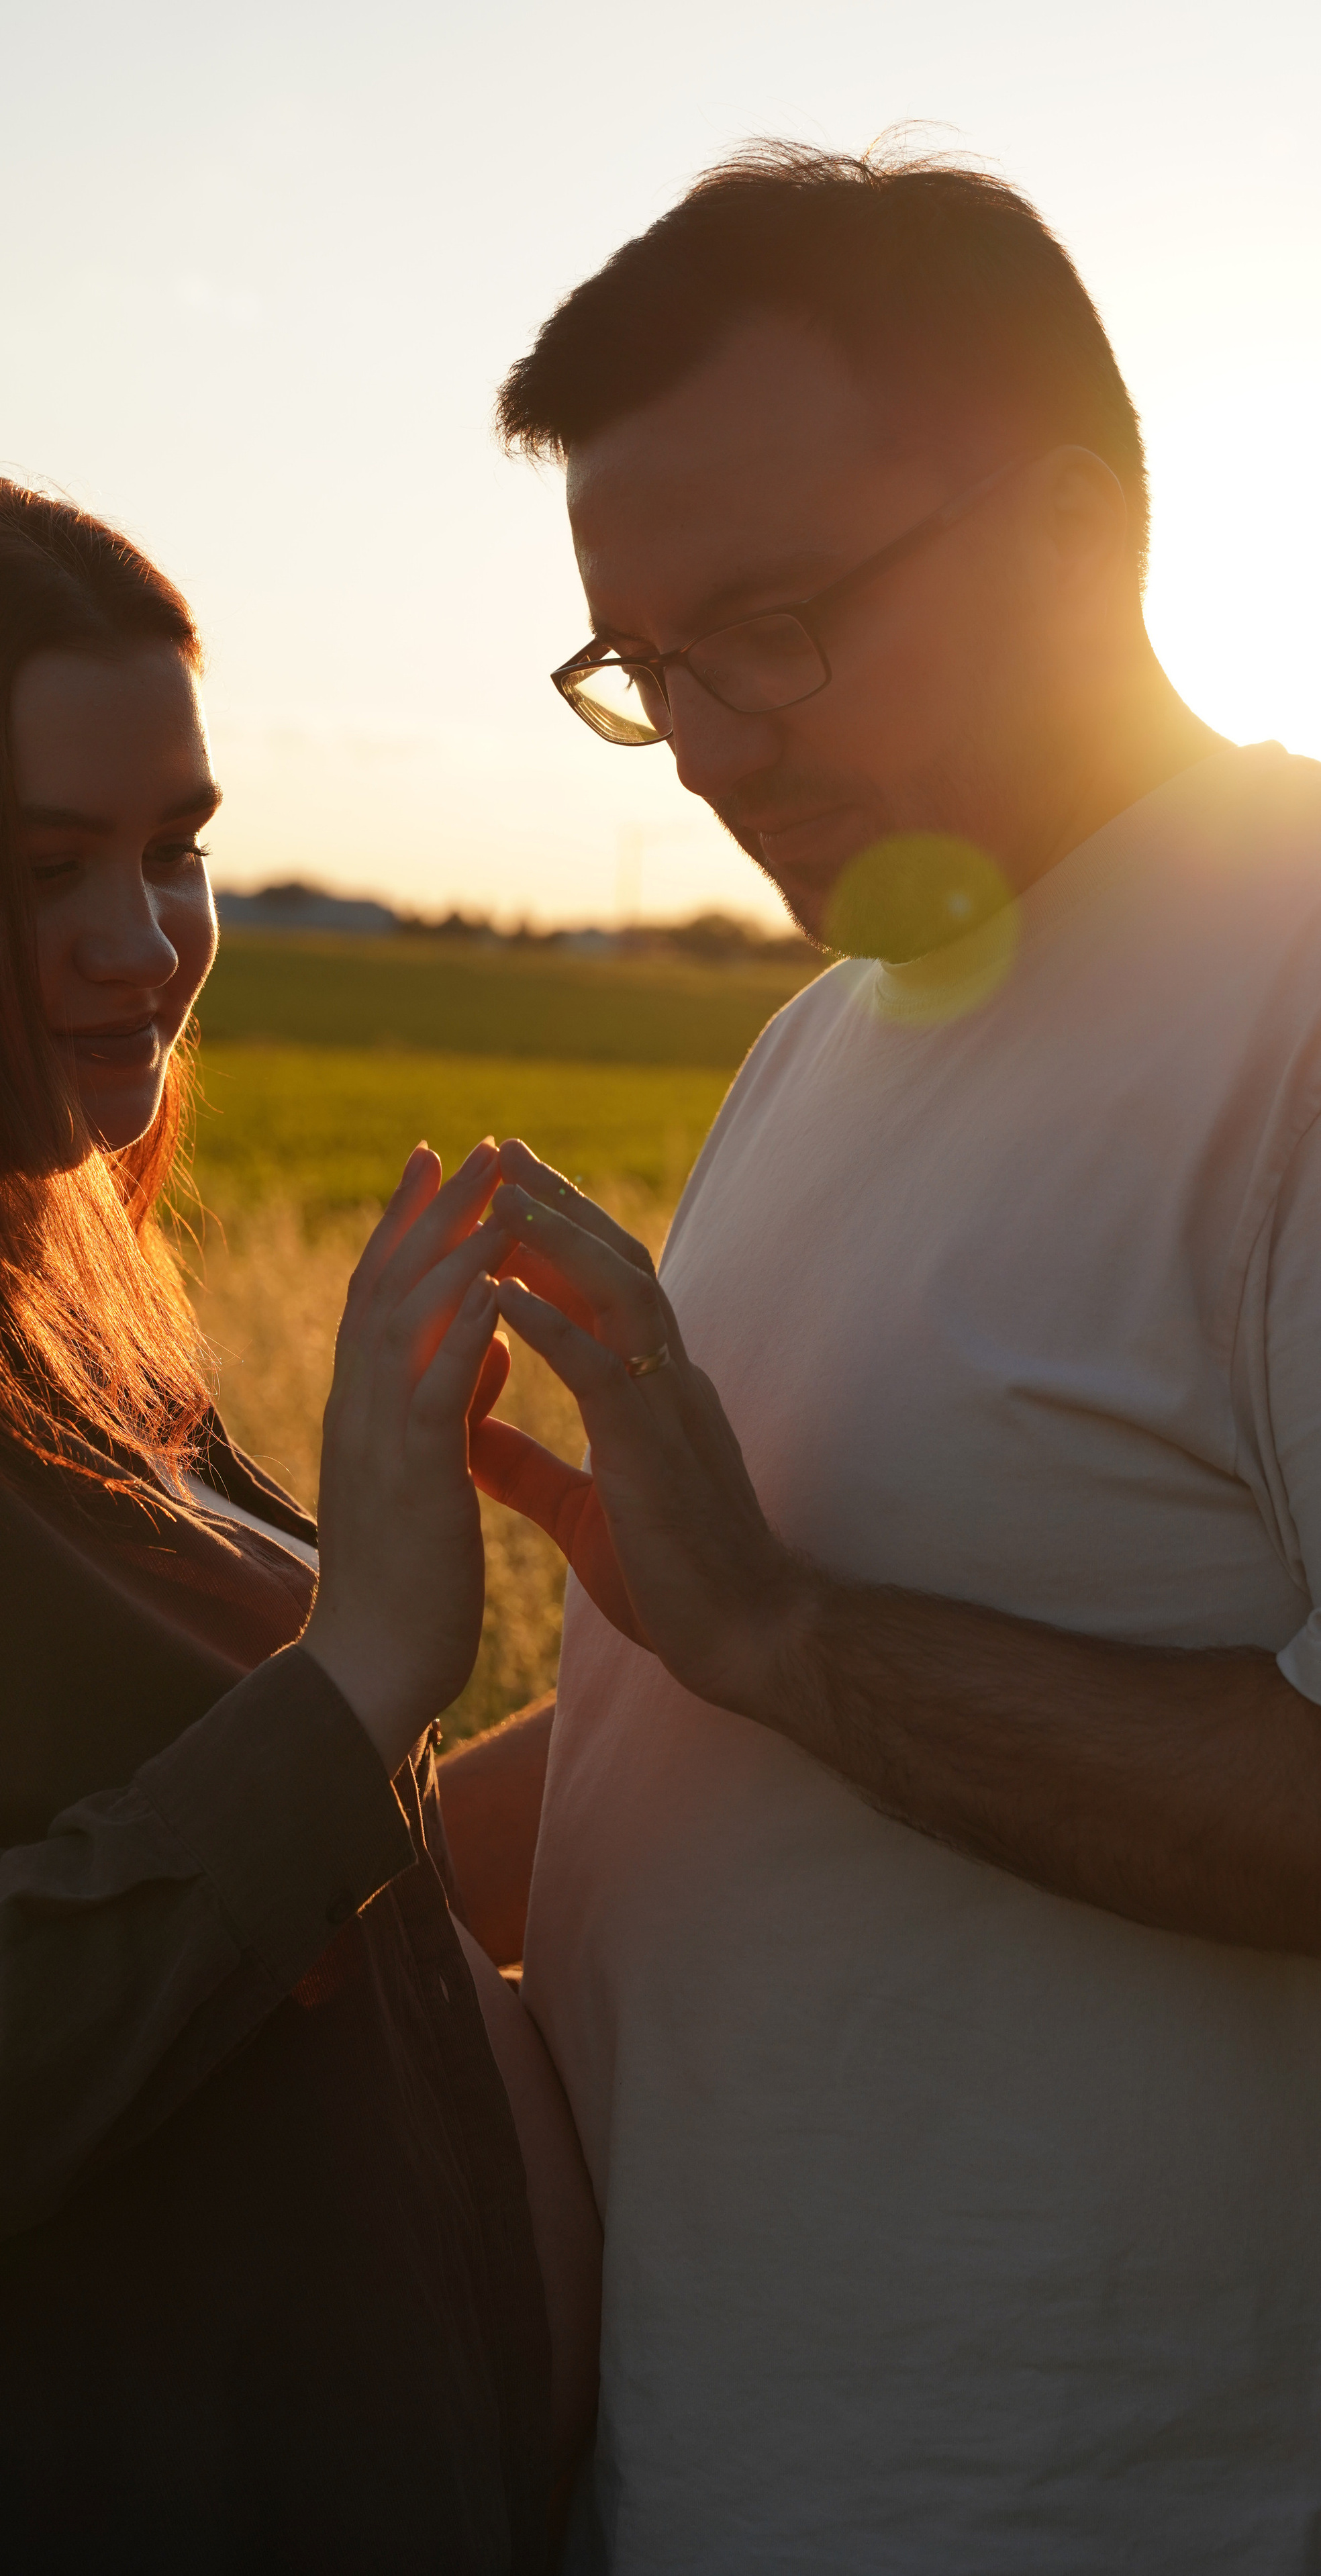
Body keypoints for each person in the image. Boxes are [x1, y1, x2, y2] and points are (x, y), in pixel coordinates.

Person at [0, 459, 598, 2572]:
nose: (143, 943)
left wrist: (699, 1674)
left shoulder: (22, 1314)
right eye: (39, 866)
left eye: (176, 849)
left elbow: (283, 1923)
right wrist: (356, 1677)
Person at [460, 141, 1321, 2569]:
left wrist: (788, 1638)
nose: (713, 744)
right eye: (646, 666)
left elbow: (805, 1651)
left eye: (779, 622)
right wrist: (321, 1843)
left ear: (1075, 534)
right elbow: (758, 1699)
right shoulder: (827, 1041)